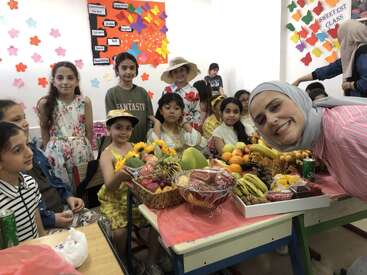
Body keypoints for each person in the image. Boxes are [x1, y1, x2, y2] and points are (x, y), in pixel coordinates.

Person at [249, 81, 367, 201]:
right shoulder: (322, 138)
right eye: (261, 120)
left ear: (297, 99)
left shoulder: (344, 132)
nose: (270, 120)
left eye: (275, 107)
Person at [0, 100, 97, 230]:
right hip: (47, 221)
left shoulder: (33, 151)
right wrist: (52, 219)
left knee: (100, 224)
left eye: (24, 117)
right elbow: (28, 212)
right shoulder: (12, 166)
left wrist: (68, 197)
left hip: (62, 209)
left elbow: (53, 180)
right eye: (16, 120)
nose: (25, 123)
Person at [98, 110, 164, 275]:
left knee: (158, 222)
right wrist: (119, 176)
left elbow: (147, 171)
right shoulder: (106, 155)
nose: (123, 132)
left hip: (137, 198)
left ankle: (151, 261)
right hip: (115, 200)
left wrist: (152, 162)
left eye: (128, 128)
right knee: (120, 233)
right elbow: (110, 185)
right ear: (109, 129)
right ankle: (123, 259)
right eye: (118, 127)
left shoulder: (137, 148)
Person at [37, 61, 94, 193]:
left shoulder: (84, 101)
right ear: (53, 81)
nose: (65, 82)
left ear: (77, 81)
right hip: (56, 154)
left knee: (83, 187)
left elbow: (89, 130)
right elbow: (44, 131)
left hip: (81, 152)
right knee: (62, 189)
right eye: (60, 77)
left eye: (70, 77)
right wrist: (48, 153)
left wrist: (87, 148)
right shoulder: (45, 103)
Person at [293, 20, 367, 97]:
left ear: (348, 36)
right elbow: (328, 70)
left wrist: (349, 85)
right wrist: (300, 79)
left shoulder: (363, 53)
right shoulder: (351, 56)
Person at [0, 122, 46, 241]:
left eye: (27, 144)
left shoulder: (30, 183)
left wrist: (44, 241)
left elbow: (36, 216)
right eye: (17, 150)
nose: (30, 153)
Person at [105, 52, 153, 143]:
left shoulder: (142, 92)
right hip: (121, 145)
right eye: (124, 68)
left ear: (136, 70)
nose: (128, 71)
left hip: (143, 144)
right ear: (117, 70)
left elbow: (150, 119)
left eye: (132, 68)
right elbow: (111, 123)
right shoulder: (112, 93)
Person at [161, 57, 201, 131]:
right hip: (169, 127)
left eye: (182, 70)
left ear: (187, 71)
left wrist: (193, 130)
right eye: (175, 72)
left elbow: (197, 113)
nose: (179, 74)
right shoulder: (167, 90)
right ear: (171, 74)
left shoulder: (194, 91)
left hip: (188, 128)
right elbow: (162, 110)